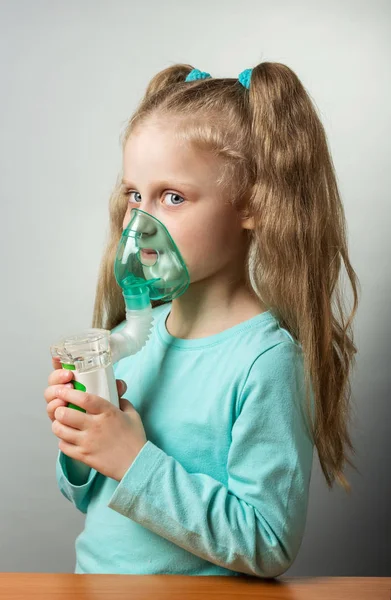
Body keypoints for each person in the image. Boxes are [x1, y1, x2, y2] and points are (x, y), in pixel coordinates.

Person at [44, 62, 360, 577]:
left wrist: (131, 457)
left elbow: (267, 544)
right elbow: (95, 506)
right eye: (134, 196)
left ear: (254, 202)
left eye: (173, 197)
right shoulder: (133, 340)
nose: (140, 225)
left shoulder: (265, 362)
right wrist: (83, 444)